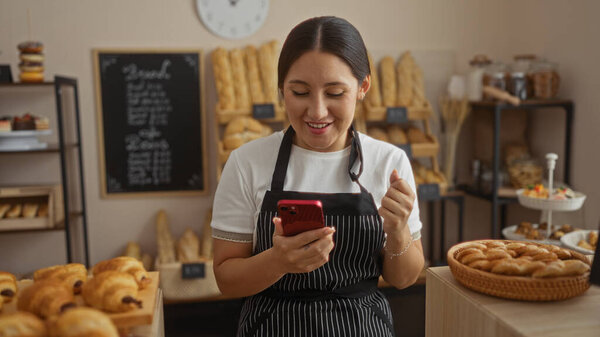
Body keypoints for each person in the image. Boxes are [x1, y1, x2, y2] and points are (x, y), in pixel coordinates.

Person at [211, 16, 425, 337]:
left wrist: (398, 232)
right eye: (300, 92)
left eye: (335, 93)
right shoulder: (246, 162)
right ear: (281, 88)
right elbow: (226, 280)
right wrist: (278, 262)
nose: (317, 111)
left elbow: (404, 278)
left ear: (362, 87)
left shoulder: (388, 162)